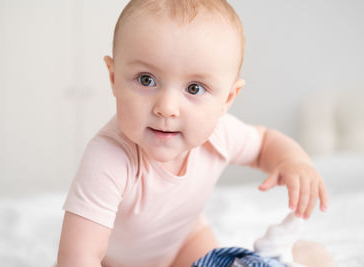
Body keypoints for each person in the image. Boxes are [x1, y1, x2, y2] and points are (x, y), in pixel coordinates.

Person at [57, 0, 330, 266]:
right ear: (114, 78)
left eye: (194, 88)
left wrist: (293, 162)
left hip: (186, 246)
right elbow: (77, 257)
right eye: (146, 79)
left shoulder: (219, 134)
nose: (167, 108)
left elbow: (264, 144)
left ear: (227, 98)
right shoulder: (109, 158)